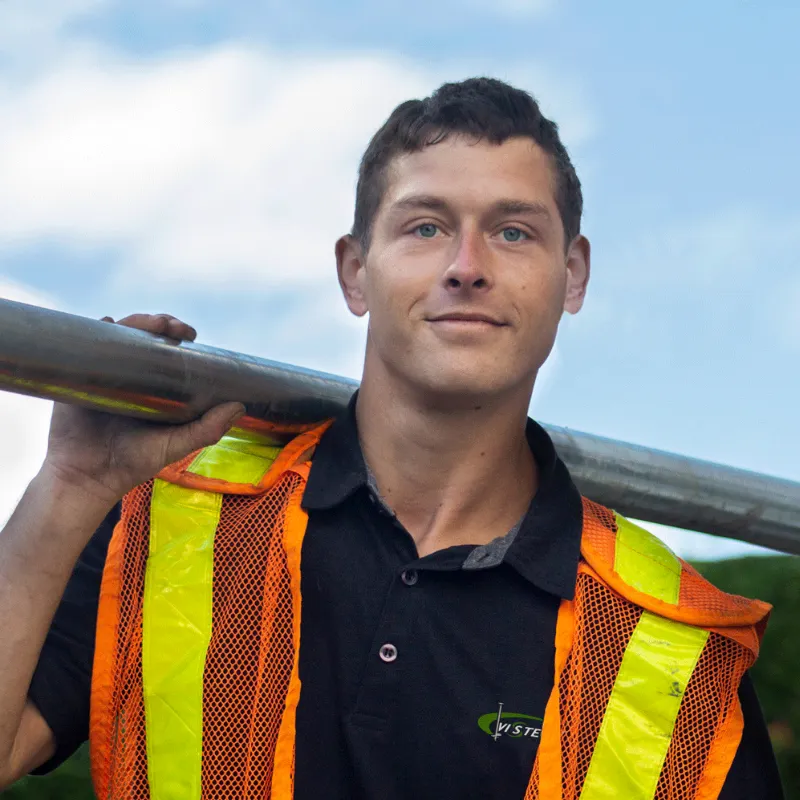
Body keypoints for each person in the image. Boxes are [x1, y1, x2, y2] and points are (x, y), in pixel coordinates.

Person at [0, 78, 784, 799]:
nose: (466, 267)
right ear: (354, 271)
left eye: (513, 232)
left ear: (572, 275)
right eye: (426, 226)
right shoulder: (166, 515)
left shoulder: (674, 644)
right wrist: (68, 485)